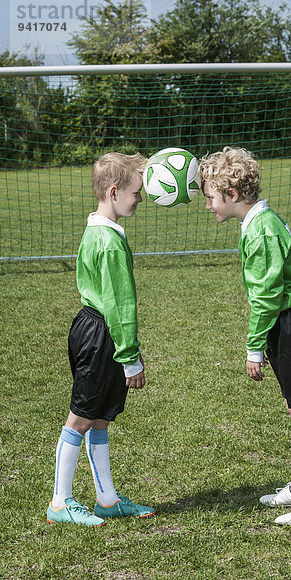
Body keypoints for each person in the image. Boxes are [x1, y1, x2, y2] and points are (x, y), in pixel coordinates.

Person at [199, 146, 291, 526]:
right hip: (287, 319)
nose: (208, 205)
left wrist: (254, 347)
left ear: (231, 193)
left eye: (210, 197)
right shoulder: (257, 222)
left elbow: (266, 296)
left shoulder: (261, 230)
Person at [47, 152, 156, 526]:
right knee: (80, 417)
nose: (139, 199)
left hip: (93, 328)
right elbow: (120, 305)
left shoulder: (96, 228)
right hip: (101, 334)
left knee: (99, 419)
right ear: (114, 192)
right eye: (136, 193)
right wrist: (131, 358)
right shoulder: (108, 242)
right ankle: (60, 502)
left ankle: (106, 500)